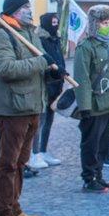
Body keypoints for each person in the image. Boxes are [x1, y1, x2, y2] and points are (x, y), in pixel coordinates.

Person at [0, 0, 57, 216]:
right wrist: (41, 63)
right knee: (7, 162)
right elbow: (5, 69)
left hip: (31, 105)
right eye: (26, 6)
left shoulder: (28, 32)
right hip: (12, 107)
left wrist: (51, 70)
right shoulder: (1, 34)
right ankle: (3, 214)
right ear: (15, 10)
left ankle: (15, 207)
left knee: (20, 162)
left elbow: (40, 62)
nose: (30, 10)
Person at [73, 5, 109, 193]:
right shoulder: (85, 47)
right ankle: (89, 177)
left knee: (104, 143)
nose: (107, 25)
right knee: (91, 144)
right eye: (104, 22)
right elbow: (82, 78)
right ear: (95, 24)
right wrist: (84, 106)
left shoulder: (108, 44)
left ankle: (99, 174)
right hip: (94, 104)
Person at [29, 12, 67, 171]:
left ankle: (43, 150)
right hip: (44, 84)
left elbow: (58, 59)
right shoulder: (40, 40)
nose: (55, 25)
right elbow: (43, 61)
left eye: (56, 22)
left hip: (56, 84)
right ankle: (34, 153)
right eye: (52, 22)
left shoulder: (56, 39)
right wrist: (52, 71)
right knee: (40, 119)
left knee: (50, 119)